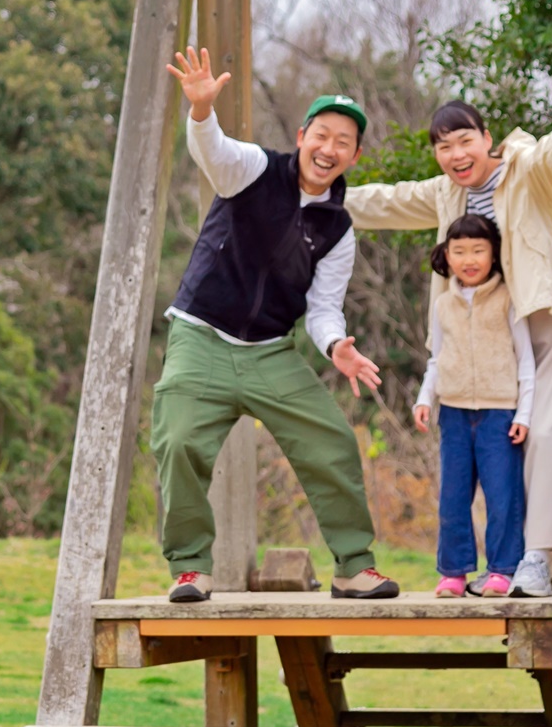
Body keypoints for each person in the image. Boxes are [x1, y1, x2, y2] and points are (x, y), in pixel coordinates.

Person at [347, 88, 552, 598]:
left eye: (465, 140)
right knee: (493, 453)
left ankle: (536, 560)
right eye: (444, 146)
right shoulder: (445, 193)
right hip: (487, 339)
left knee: (541, 435)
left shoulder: (525, 171)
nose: (456, 155)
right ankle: (499, 562)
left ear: (487, 139)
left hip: (546, 319)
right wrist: (312, 192)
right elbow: (386, 199)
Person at [156, 46, 396, 603]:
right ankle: (191, 567)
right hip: (201, 335)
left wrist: (337, 345)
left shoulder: (338, 228)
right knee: (178, 439)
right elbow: (212, 152)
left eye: (343, 142)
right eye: (322, 135)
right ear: (303, 135)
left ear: (354, 155)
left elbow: (324, 307)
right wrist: (200, 111)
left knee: (332, 439)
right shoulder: (255, 170)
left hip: (269, 352)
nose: (329, 148)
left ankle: (354, 568)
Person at [413, 215, 534, 597]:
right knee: (452, 496)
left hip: (500, 413)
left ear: (494, 254)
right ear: (446, 256)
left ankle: (503, 569)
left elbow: (526, 361)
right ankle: (453, 572)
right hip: (453, 412)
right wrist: (424, 398)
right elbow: (437, 358)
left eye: (478, 250)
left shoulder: (508, 300)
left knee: (503, 496)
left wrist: (524, 413)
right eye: (459, 251)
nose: (469, 259)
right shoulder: (443, 304)